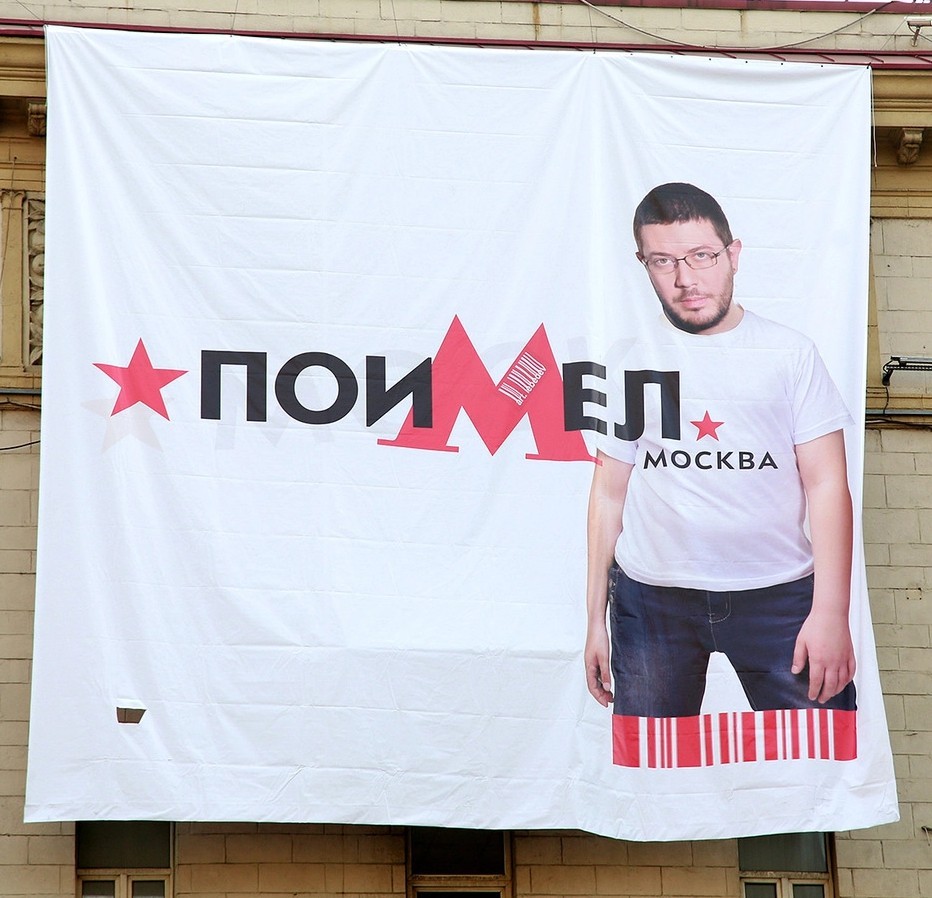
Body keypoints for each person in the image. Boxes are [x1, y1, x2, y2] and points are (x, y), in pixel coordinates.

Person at [585, 182, 857, 718]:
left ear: (733, 254)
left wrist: (831, 612)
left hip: (779, 594)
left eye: (702, 256)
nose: (685, 279)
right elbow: (607, 495)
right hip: (651, 601)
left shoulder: (790, 354)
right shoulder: (629, 359)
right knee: (653, 761)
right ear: (644, 264)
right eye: (663, 261)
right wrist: (595, 619)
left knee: (818, 756)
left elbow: (828, 485)